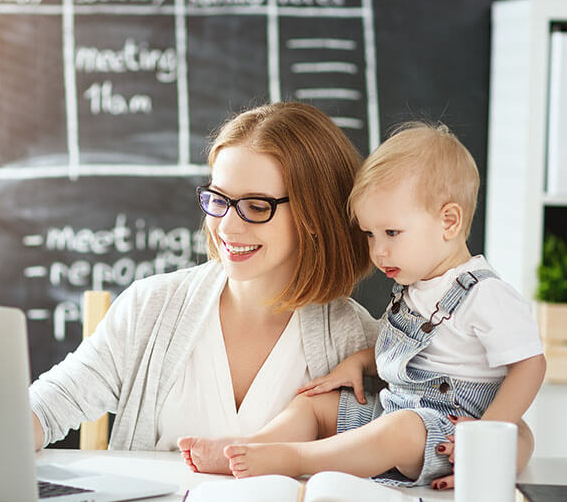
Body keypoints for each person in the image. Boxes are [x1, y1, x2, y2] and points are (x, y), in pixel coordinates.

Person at [178, 121, 546, 488]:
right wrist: (360, 361)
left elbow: (530, 365)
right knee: (317, 406)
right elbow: (419, 352)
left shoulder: (485, 294)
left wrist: (486, 440)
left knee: (399, 430)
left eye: (391, 233)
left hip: (445, 431)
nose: (377, 251)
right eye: (370, 234)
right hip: (395, 409)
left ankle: (294, 458)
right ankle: (251, 446)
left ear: (448, 222)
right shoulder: (415, 287)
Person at [28, 101, 381, 454]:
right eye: (219, 198)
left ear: (315, 216)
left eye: (256, 207)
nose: (227, 226)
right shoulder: (150, 308)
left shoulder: (359, 343)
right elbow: (48, 405)